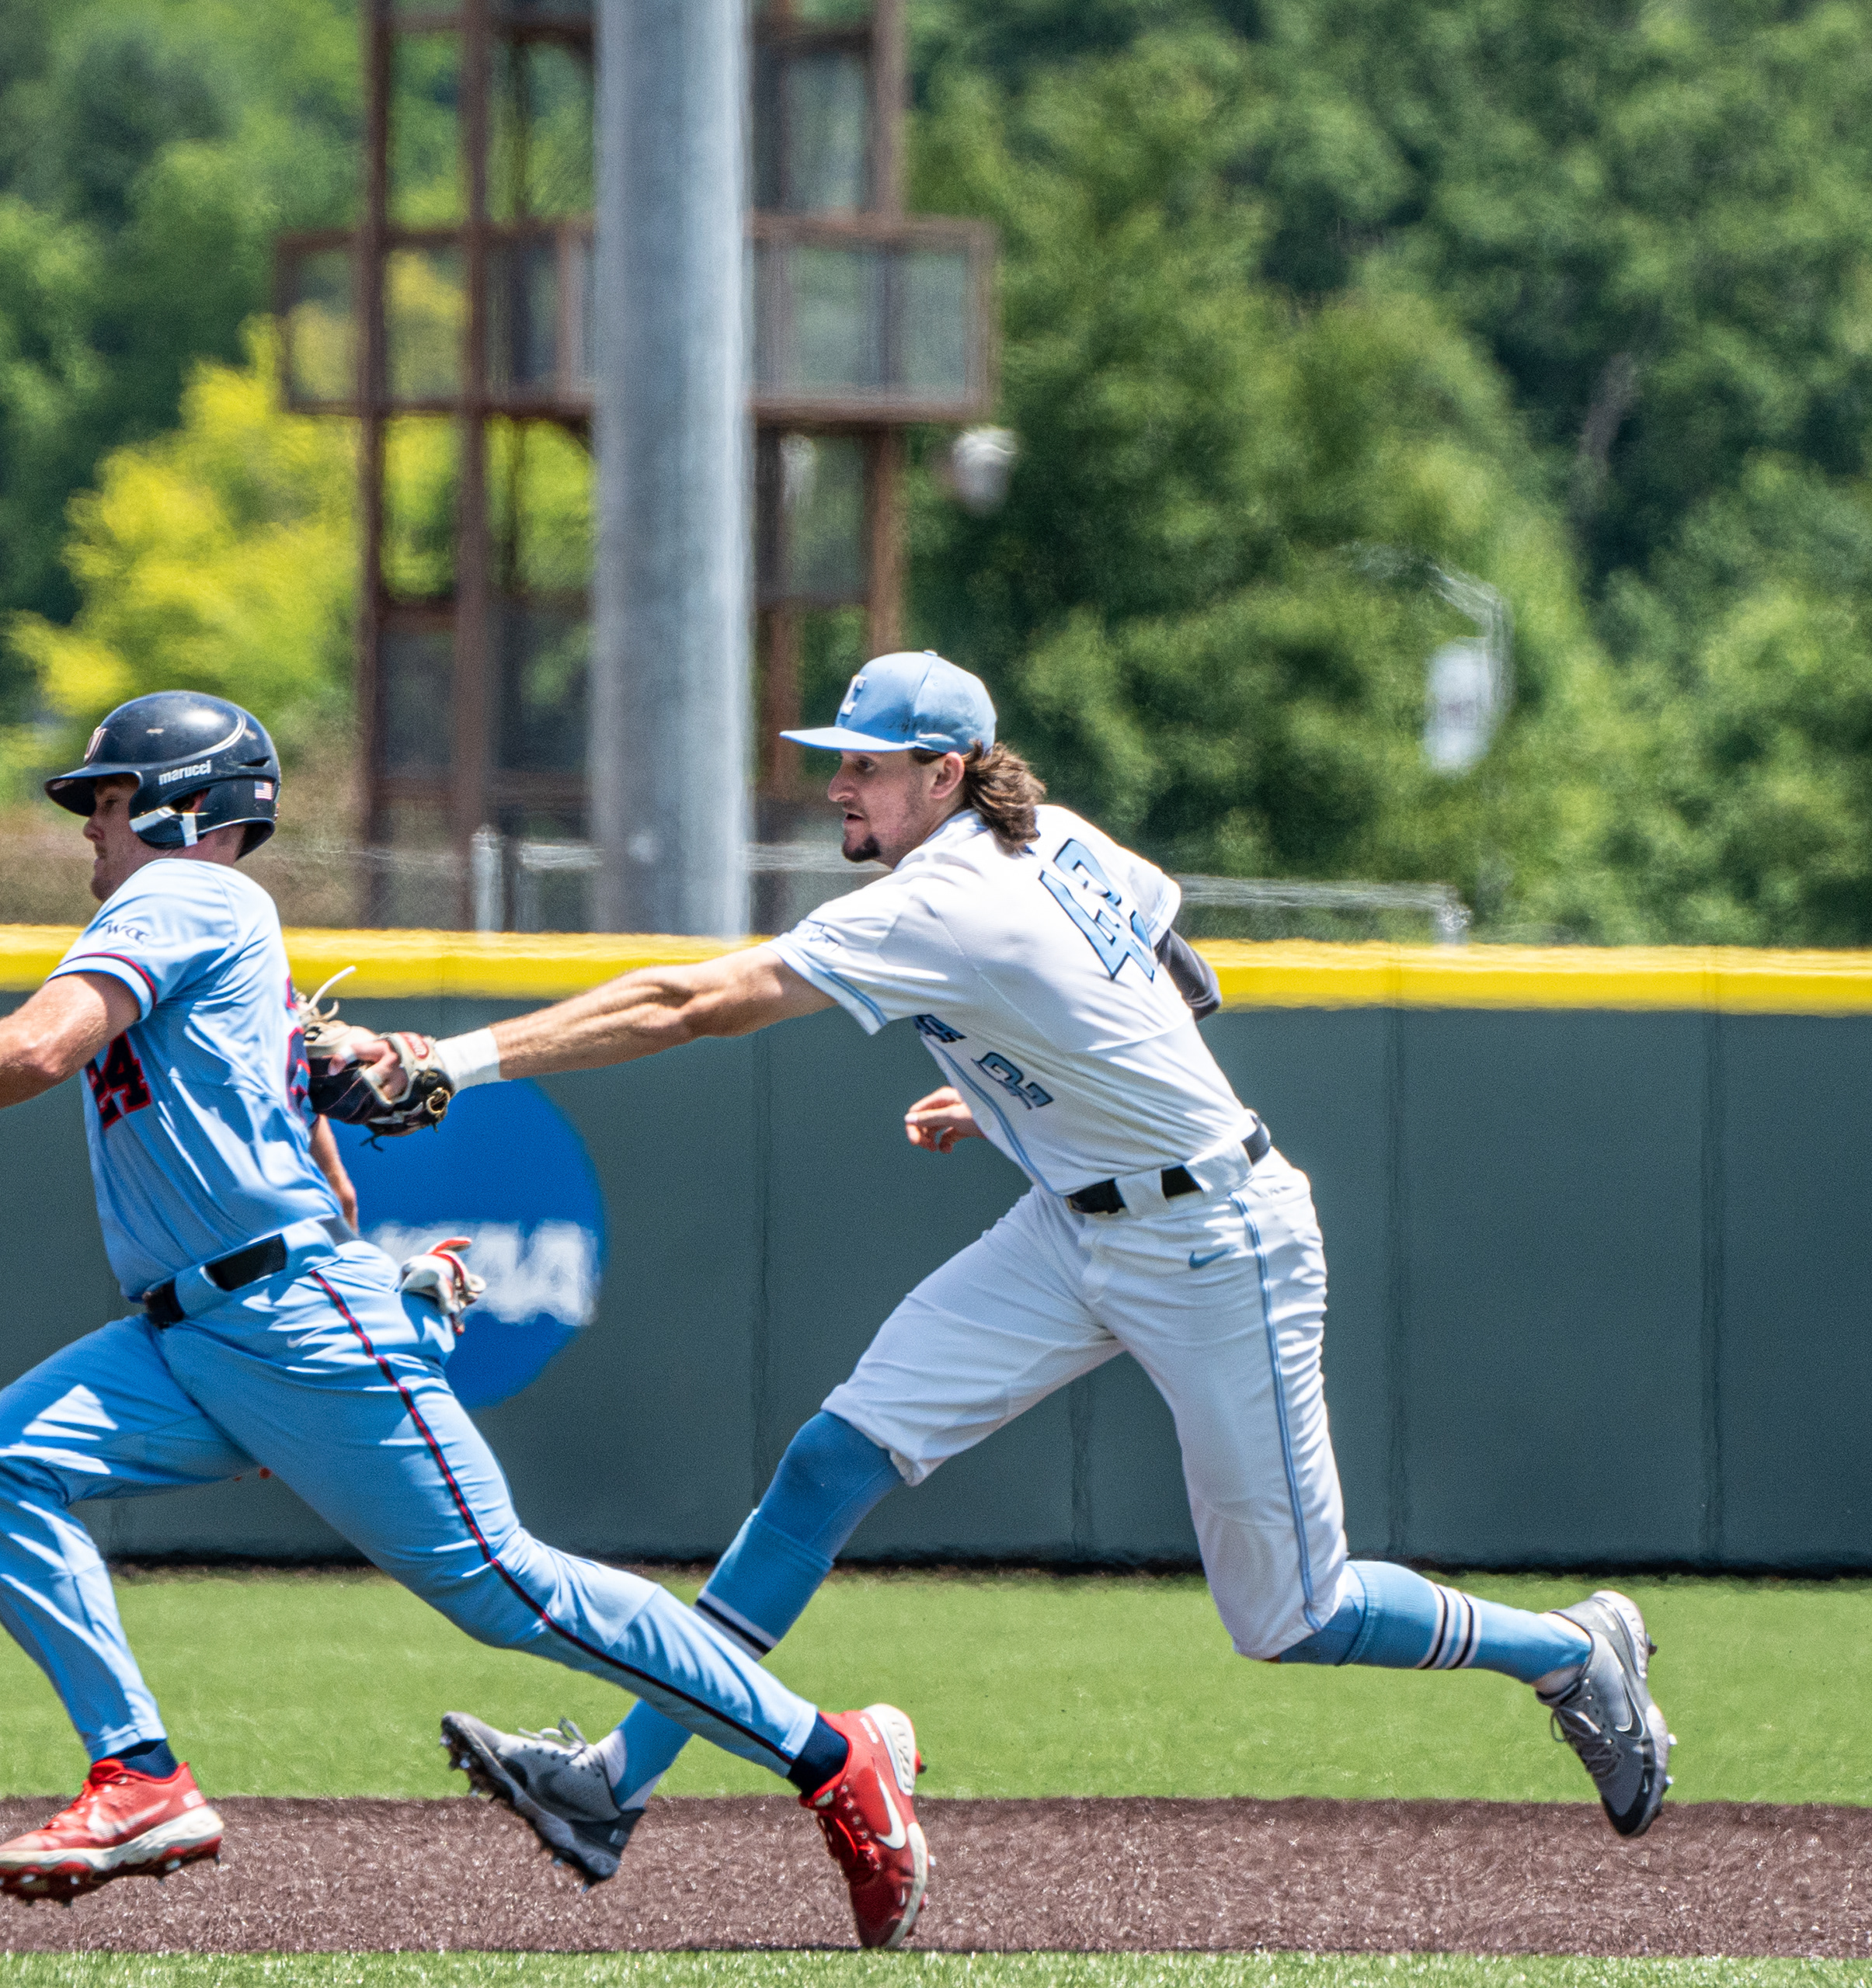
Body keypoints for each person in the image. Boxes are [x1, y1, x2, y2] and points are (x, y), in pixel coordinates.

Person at [409, 652, 1675, 1883]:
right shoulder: (1051, 832)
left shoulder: (943, 897)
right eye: (835, 760)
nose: (840, 784)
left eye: (870, 765)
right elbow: (1185, 973)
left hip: (1218, 1245)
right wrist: (1043, 1090)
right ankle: (612, 1787)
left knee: (1296, 1615)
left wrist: (449, 1065)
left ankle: (1566, 1650)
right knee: (829, 1464)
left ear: (949, 771)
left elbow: (690, 1002)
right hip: (1074, 1224)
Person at [0, 690, 931, 1949]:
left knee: (504, 1592)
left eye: (101, 799)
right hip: (194, 1332)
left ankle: (829, 1754)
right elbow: (296, 1099)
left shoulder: (184, 894)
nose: (87, 827)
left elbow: (40, 1050)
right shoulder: (207, 921)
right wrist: (307, 1087)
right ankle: (139, 1777)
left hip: (287, 1310)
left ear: (173, 805)